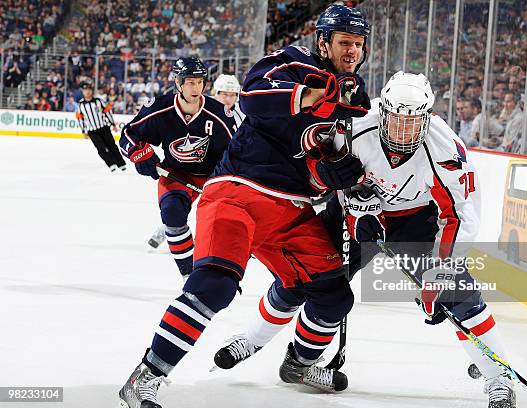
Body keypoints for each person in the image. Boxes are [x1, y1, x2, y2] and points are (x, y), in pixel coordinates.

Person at [119, 5, 371, 407]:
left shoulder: (355, 101)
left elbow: (320, 165)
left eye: (358, 44)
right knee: (214, 286)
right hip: (238, 190)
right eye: (345, 42)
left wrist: (341, 174)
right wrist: (319, 94)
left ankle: (299, 365)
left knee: (334, 294)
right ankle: (146, 376)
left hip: (292, 209)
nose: (352, 51)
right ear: (323, 41)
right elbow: (253, 98)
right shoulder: (289, 61)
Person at [213, 72, 516, 408]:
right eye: (396, 119)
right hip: (349, 213)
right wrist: (348, 193)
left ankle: (498, 376)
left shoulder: (445, 150)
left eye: (412, 122)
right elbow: (316, 154)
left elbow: (460, 214)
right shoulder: (356, 125)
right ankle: (252, 339)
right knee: (304, 274)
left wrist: (440, 270)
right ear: (382, 110)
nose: (402, 130)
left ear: (428, 117)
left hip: (414, 221)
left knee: (456, 290)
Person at [118, 57, 236, 280]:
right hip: (174, 174)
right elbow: (127, 135)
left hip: (212, 177)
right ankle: (189, 275)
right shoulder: (160, 108)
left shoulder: (219, 113)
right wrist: (140, 154)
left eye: (200, 82)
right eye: (190, 82)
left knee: (224, 225)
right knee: (172, 214)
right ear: (178, 83)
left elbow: (237, 151)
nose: (196, 87)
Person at [76, 81, 126, 172]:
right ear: (83, 92)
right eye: (85, 90)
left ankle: (121, 163)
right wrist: (83, 131)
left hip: (104, 128)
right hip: (92, 131)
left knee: (112, 146)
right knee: (101, 149)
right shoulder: (80, 104)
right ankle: (111, 164)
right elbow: (80, 119)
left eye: (89, 90)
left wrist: (113, 124)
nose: (87, 92)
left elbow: (107, 112)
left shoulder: (98, 101)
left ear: (92, 91)